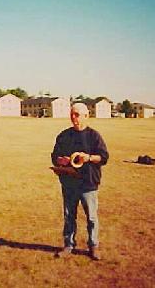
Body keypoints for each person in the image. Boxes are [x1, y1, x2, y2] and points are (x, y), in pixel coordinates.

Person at [51, 103, 109, 260]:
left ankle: (93, 246)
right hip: (69, 183)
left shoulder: (94, 136)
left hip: (88, 183)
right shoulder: (64, 135)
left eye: (76, 114)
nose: (73, 117)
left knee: (91, 217)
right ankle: (68, 245)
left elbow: (104, 157)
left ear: (86, 116)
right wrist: (60, 160)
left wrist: (89, 157)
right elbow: (54, 155)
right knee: (69, 216)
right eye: (72, 114)